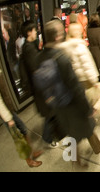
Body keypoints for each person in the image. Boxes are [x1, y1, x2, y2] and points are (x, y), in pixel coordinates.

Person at [39, 20, 100, 166]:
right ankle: (97, 147)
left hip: (57, 105)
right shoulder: (61, 58)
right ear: (57, 37)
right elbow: (75, 87)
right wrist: (87, 108)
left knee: (71, 132)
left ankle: (76, 160)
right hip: (73, 103)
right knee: (87, 126)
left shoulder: (41, 57)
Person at [57, 23, 100, 120]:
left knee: (89, 97)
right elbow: (86, 65)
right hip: (86, 77)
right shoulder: (80, 46)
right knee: (95, 96)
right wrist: (94, 79)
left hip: (78, 77)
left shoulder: (67, 47)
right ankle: (97, 115)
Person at [19, 20, 60, 148]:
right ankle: (48, 139)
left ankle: (51, 136)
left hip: (41, 87)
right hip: (41, 87)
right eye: (34, 30)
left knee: (51, 112)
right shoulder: (29, 48)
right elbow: (36, 69)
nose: (36, 32)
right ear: (28, 32)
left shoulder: (29, 46)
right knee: (49, 113)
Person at [0, 77, 43, 167]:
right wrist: (8, 118)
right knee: (18, 137)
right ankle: (29, 161)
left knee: (23, 130)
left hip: (7, 110)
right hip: (4, 112)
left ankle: (32, 153)